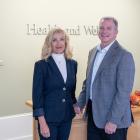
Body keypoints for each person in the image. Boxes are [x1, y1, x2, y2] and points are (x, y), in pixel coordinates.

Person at [74, 17, 135, 140]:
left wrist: (113, 120)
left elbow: (123, 93)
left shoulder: (124, 56)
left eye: (109, 28)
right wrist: (80, 103)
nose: (104, 31)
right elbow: (88, 82)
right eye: (101, 28)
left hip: (113, 122)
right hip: (93, 117)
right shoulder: (92, 52)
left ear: (116, 32)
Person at [32, 28, 78, 140]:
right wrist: (42, 123)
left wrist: (75, 103)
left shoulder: (73, 64)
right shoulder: (41, 65)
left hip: (66, 118)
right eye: (54, 40)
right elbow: (37, 96)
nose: (58, 43)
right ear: (49, 43)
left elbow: (70, 90)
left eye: (62, 39)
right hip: (48, 119)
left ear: (66, 42)